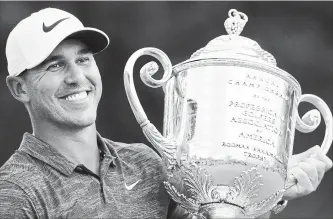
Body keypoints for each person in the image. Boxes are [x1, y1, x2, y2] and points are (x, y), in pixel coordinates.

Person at [0, 7, 331, 219]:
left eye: (83, 59)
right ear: (19, 88)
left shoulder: (146, 163)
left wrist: (270, 192)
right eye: (55, 66)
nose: (77, 77)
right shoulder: (15, 190)